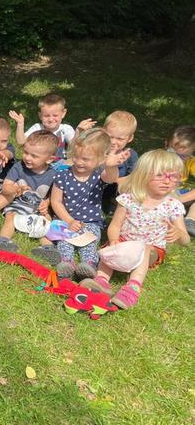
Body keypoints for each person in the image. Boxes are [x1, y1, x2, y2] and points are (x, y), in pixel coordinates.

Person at [80, 150, 190, 309]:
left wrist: (179, 233)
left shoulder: (173, 205)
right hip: (125, 242)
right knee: (110, 249)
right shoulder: (129, 199)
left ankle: (132, 288)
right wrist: (114, 240)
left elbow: (185, 240)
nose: (167, 181)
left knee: (145, 248)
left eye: (173, 176)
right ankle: (101, 281)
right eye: (160, 175)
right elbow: (115, 225)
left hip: (152, 250)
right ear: (143, 175)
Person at [50, 129, 131, 280]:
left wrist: (110, 166)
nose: (79, 162)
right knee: (64, 243)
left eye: (85, 159)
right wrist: (69, 221)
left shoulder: (98, 174)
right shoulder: (62, 174)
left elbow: (111, 178)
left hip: (91, 222)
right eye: (76, 156)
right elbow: (56, 201)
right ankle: (67, 263)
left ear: (100, 160)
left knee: (90, 243)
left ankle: (88, 265)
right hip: (66, 220)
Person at [0, 130, 60, 263]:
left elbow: (55, 196)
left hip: (38, 207)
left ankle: (48, 248)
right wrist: (17, 189)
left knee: (45, 221)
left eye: (34, 156)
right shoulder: (19, 167)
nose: (27, 158)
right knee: (10, 217)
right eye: (26, 152)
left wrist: (47, 203)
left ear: (49, 159)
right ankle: (4, 241)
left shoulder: (53, 174)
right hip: (18, 203)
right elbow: (5, 187)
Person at [11, 93, 95, 162]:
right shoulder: (37, 128)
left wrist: (78, 131)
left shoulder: (65, 129)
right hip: (39, 164)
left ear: (63, 113)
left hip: (60, 164)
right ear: (40, 115)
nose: (51, 119)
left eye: (55, 115)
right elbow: (21, 142)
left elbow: (74, 147)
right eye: (46, 116)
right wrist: (20, 124)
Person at [101, 110, 139, 214]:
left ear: (130, 138)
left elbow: (135, 176)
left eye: (120, 139)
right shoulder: (98, 151)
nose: (113, 142)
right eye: (110, 137)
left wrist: (118, 180)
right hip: (97, 190)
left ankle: (119, 206)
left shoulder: (130, 155)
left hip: (118, 191)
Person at [166, 125, 195, 236]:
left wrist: (180, 199)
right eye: (173, 153)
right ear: (167, 144)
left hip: (179, 195)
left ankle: (190, 220)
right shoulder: (159, 158)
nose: (177, 159)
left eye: (183, 156)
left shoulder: (191, 162)